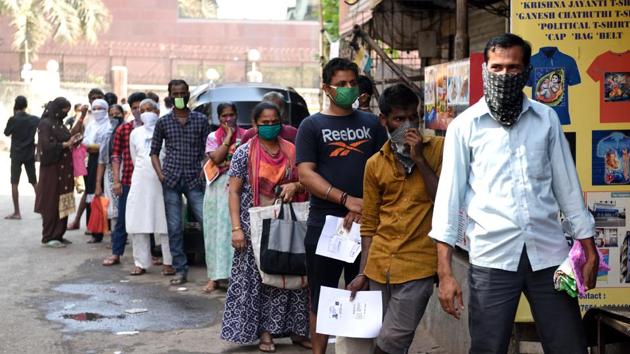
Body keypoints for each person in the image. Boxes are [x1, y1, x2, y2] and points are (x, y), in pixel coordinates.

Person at [429, 33, 599, 354]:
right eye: (496, 68)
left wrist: (589, 249)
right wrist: (445, 271)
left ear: (526, 71)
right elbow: (448, 201)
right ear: (485, 70)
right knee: (488, 348)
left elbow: (568, 189)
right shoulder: (464, 127)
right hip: (491, 259)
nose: (504, 75)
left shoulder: (546, 118)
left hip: (549, 256)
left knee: (570, 346)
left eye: (512, 68)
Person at [295, 57, 387, 354]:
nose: (349, 89)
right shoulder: (312, 126)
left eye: (352, 83)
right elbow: (306, 174)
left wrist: (362, 207)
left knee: (360, 296)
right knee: (322, 298)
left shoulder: (372, 124)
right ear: (326, 88)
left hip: (368, 226)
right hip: (326, 227)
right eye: (341, 84)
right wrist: (346, 200)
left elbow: (385, 171)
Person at [346, 84, 442, 354]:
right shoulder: (375, 164)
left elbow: (444, 202)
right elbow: (370, 222)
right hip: (380, 265)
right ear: (384, 120)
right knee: (385, 339)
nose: (408, 125)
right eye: (400, 119)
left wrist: (420, 160)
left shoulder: (438, 150)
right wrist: (364, 272)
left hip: (418, 265)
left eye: (414, 118)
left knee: (392, 339)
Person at [221, 101, 310, 352]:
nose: (270, 127)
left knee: (292, 274)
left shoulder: (293, 151)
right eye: (264, 123)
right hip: (253, 226)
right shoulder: (243, 152)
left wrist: (298, 186)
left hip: (289, 221)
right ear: (255, 125)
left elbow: (307, 181)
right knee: (262, 280)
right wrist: (236, 228)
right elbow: (234, 192)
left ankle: (296, 331)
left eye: (274, 122)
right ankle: (265, 333)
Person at [150, 79, 210, 285]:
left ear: (188, 94)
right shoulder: (163, 122)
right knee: (175, 227)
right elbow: (154, 152)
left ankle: (215, 269)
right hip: (171, 179)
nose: (179, 97)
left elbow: (207, 150)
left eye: (183, 93)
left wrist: (204, 170)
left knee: (207, 222)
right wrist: (160, 174)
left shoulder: (201, 120)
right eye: (175, 94)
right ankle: (180, 269)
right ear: (170, 96)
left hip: (195, 179)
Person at [125, 98, 174, 275]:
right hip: (140, 181)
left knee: (166, 224)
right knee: (139, 223)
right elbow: (133, 156)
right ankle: (141, 262)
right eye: (142, 109)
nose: (146, 113)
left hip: (162, 180)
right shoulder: (135, 133)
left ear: (158, 112)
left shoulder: (167, 129)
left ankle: (169, 262)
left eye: (150, 109)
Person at [202, 102, 246, 293]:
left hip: (238, 187)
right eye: (223, 116)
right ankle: (214, 277)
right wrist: (228, 137)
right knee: (214, 231)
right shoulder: (213, 137)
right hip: (217, 188)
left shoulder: (246, 136)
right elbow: (217, 159)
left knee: (234, 230)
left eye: (231, 115)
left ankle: (236, 278)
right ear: (218, 118)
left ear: (237, 114)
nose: (228, 119)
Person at [101, 93, 146, 266]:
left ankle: (149, 254)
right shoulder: (124, 129)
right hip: (127, 179)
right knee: (122, 218)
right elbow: (116, 156)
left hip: (148, 181)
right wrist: (117, 181)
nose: (138, 111)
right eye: (134, 108)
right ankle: (116, 252)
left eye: (141, 108)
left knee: (147, 217)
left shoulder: (156, 128)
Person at [34, 97, 83, 247]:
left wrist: (73, 140)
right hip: (52, 169)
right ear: (56, 109)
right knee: (51, 201)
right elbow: (46, 146)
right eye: (63, 110)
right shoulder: (45, 124)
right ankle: (49, 236)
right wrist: (65, 144)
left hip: (65, 170)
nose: (65, 114)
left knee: (65, 199)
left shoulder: (59, 124)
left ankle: (59, 234)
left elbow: (68, 139)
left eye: (67, 111)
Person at [68, 88, 104, 230]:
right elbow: (74, 133)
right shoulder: (87, 118)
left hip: (105, 158)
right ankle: (80, 221)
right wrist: (81, 116)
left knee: (102, 191)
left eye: (98, 97)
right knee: (90, 191)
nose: (95, 100)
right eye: (92, 98)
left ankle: (100, 226)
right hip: (90, 159)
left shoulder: (107, 116)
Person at [4, 96, 39, 220]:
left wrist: (14, 116)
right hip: (29, 154)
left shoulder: (13, 119)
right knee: (34, 182)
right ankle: (43, 209)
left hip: (16, 155)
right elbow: (42, 126)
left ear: (15, 105)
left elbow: (6, 133)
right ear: (26, 105)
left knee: (14, 182)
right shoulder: (34, 119)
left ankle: (17, 212)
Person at [82, 99, 112, 243]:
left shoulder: (109, 124)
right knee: (93, 194)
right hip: (93, 161)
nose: (97, 111)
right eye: (94, 108)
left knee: (108, 194)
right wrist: (93, 146)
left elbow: (108, 144)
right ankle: (95, 231)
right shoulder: (91, 124)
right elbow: (85, 141)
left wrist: (97, 147)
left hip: (108, 160)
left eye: (100, 108)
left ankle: (110, 228)